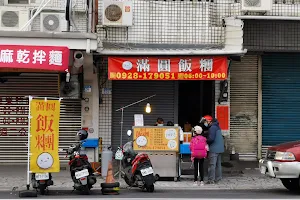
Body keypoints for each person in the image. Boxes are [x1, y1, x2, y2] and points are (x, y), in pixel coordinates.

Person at [200, 115, 224, 184]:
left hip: (214, 148)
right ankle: (218, 178)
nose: (205, 123)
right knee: (218, 165)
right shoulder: (216, 126)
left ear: (209, 121)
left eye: (205, 122)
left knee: (212, 165)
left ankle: (211, 180)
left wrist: (204, 140)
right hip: (219, 148)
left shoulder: (212, 128)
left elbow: (211, 139)